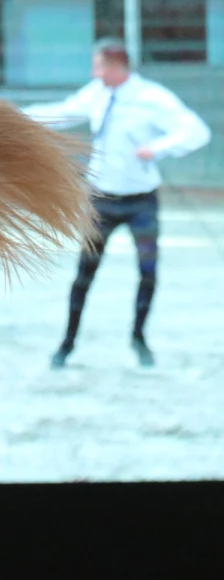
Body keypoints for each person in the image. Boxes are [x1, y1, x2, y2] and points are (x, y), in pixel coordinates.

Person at [23, 38, 212, 369]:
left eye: (98, 66)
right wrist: (13, 116)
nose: (94, 72)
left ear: (114, 66)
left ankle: (138, 337)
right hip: (102, 201)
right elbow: (61, 112)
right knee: (84, 274)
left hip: (141, 203)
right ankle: (67, 343)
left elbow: (196, 130)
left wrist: (160, 147)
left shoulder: (151, 99)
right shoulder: (96, 95)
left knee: (149, 271)